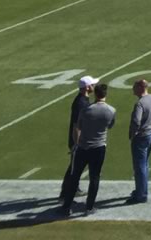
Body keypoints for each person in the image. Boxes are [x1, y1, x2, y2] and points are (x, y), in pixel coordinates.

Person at [62, 81, 116, 215]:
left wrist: (76, 143)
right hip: (99, 147)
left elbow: (78, 127)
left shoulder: (85, 110)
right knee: (95, 178)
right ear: (105, 94)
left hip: (83, 147)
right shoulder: (111, 110)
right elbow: (109, 126)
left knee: (75, 177)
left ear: (95, 94)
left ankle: (66, 207)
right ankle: (89, 207)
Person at [128, 78, 151, 204]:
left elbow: (136, 121)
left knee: (140, 166)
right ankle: (142, 189)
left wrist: (133, 133)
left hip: (142, 136)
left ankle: (141, 194)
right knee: (144, 164)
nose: (133, 89)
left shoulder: (140, 104)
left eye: (134, 87)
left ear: (140, 88)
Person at [60, 76, 95, 204]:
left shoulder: (83, 100)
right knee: (74, 168)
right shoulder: (81, 103)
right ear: (87, 87)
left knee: (75, 167)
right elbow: (77, 125)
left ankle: (73, 189)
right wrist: (77, 143)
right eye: (92, 84)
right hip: (79, 141)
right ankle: (65, 193)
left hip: (81, 140)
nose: (94, 86)